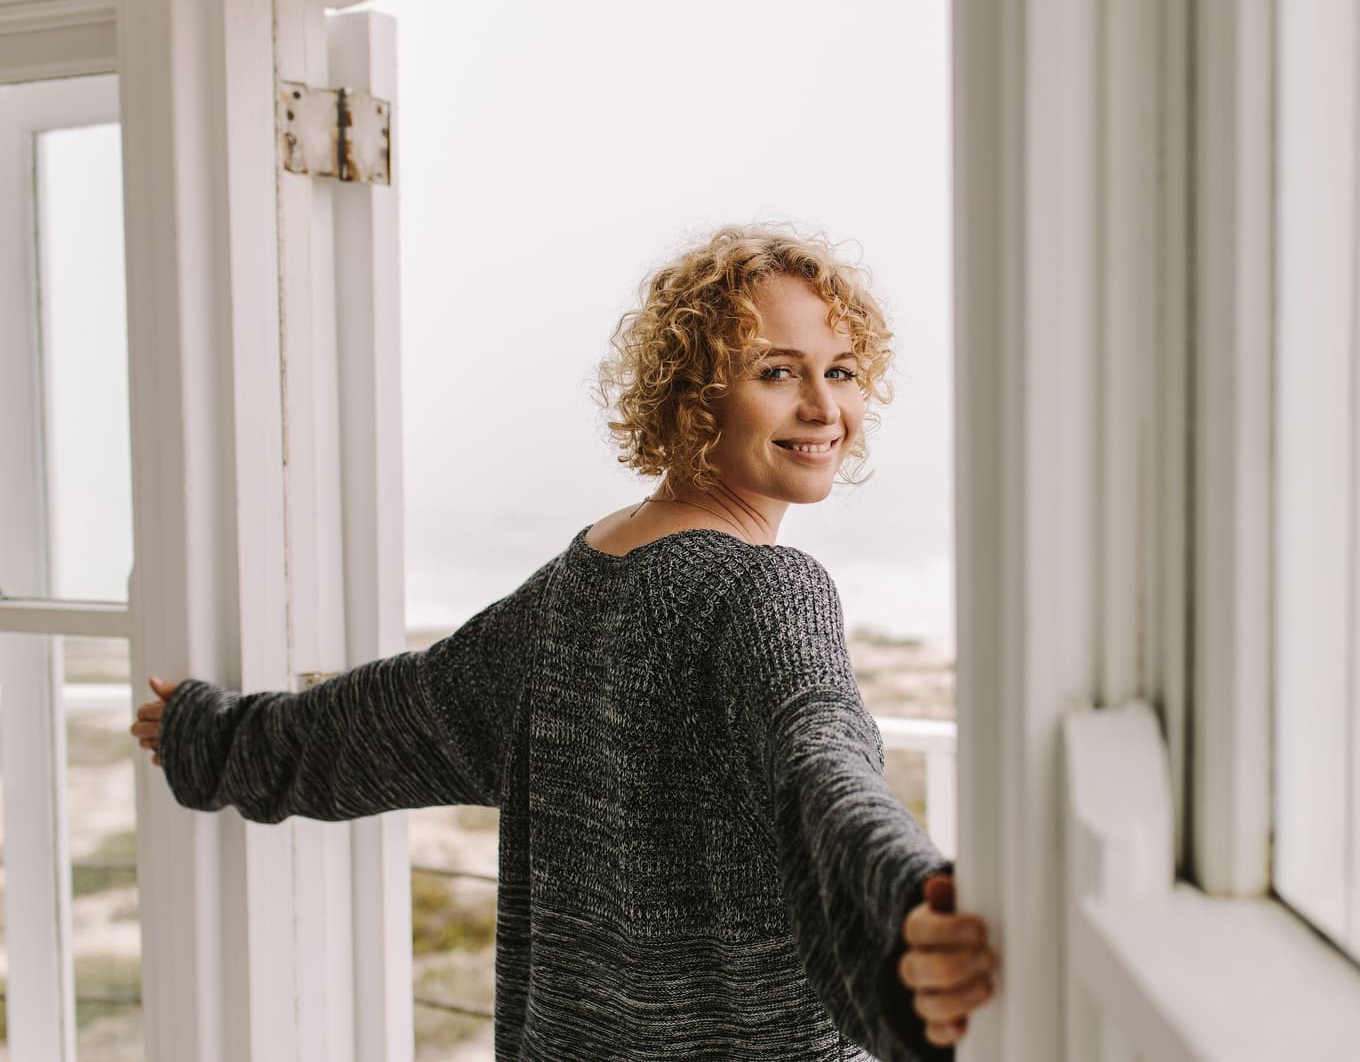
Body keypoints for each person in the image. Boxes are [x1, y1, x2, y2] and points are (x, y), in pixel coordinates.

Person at [127, 225, 997, 1061]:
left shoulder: (581, 572)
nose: (824, 407)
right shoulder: (768, 586)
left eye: (841, 371)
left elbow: (387, 717)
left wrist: (212, 737)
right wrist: (907, 911)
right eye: (777, 371)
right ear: (695, 394)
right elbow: (825, 760)